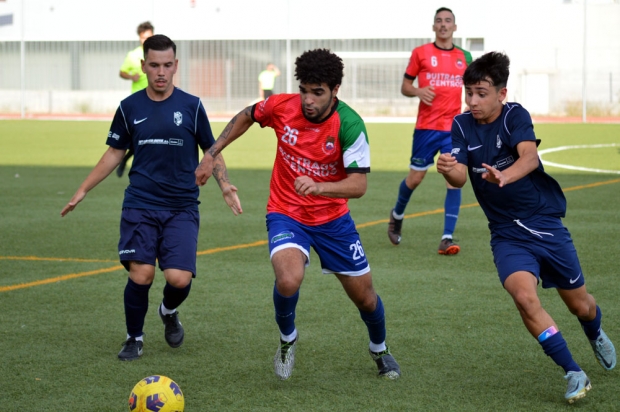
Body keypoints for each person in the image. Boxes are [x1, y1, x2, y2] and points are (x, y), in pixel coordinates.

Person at [195, 48, 401, 381]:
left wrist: (319, 187)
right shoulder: (282, 106)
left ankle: (380, 349)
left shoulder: (349, 124)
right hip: (286, 211)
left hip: (333, 220)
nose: (308, 99)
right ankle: (288, 340)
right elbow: (248, 114)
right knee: (288, 278)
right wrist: (212, 153)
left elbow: (359, 184)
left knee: (365, 297)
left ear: (335, 91)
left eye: (317, 92)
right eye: (304, 89)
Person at [436, 51, 616, 403]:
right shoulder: (460, 124)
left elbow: (529, 157)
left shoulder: (514, 115)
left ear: (501, 94)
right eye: (468, 92)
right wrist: (448, 167)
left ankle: (594, 332)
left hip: (543, 223)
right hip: (505, 233)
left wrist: (504, 175)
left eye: (481, 93)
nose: (472, 101)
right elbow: (459, 178)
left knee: (581, 305)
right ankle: (573, 371)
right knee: (523, 295)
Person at [61, 34, 242, 361]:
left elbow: (211, 150)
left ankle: (168, 310)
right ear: (143, 66)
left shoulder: (192, 105)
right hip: (141, 203)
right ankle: (134, 337)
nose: (161, 71)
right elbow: (115, 153)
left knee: (179, 278)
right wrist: (83, 189)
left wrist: (225, 185)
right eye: (154, 65)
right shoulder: (129, 108)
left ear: (176, 66)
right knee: (141, 274)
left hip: (182, 206)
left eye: (167, 65)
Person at [387, 7, 471, 255]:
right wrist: (417, 91)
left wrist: (471, 103)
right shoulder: (421, 53)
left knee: (453, 180)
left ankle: (447, 238)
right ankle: (397, 214)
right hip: (426, 128)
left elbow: (473, 86)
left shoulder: (465, 56)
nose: (443, 25)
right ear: (433, 26)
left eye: (448, 21)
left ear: (455, 27)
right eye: (439, 21)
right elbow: (405, 85)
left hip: (453, 129)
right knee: (415, 179)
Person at [116, 21, 155, 178]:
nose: (146, 40)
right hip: (139, 101)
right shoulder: (133, 56)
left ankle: (127, 160)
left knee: (150, 135)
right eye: (143, 37)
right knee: (139, 135)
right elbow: (122, 72)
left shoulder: (157, 54)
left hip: (156, 101)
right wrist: (132, 76)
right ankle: (126, 160)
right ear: (139, 38)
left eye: (149, 37)